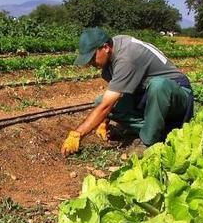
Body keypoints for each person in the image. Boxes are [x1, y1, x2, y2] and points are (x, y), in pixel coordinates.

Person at [61, 28, 194, 156]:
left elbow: (107, 106)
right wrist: (103, 121)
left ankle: (149, 141)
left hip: (178, 95)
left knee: (158, 85)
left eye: (92, 58)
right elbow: (114, 97)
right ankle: (159, 129)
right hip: (147, 95)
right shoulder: (113, 51)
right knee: (99, 102)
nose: (90, 63)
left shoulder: (127, 57)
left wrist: (78, 133)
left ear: (106, 47)